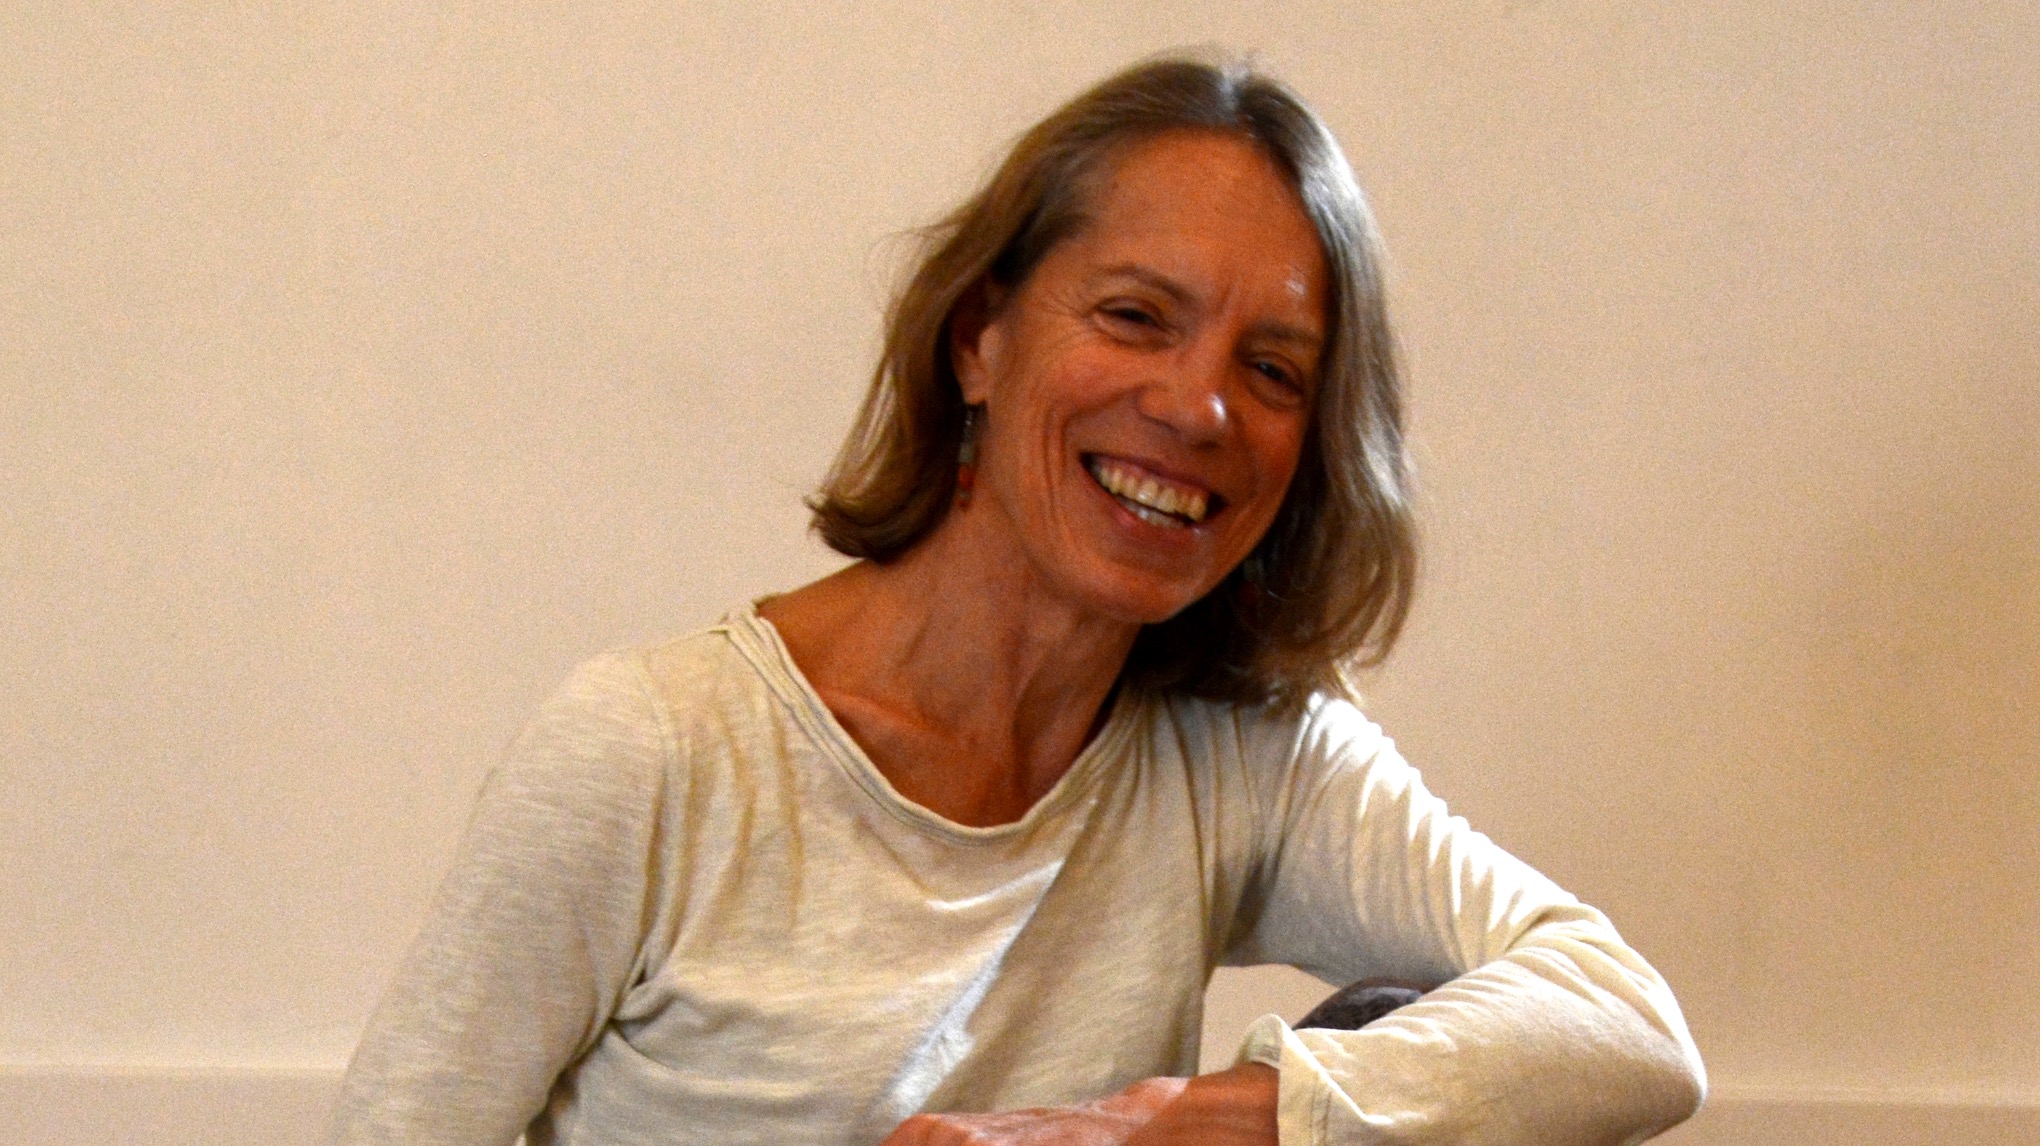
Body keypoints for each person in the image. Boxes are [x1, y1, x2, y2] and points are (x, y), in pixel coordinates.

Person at [328, 54, 1706, 1146]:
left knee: (1410, 1052)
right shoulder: (652, 750)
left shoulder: (1247, 759)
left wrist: (1186, 1122)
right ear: (978, 338)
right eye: (1136, 316)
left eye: (1274, 371)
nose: (1200, 407)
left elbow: (1629, 1023)